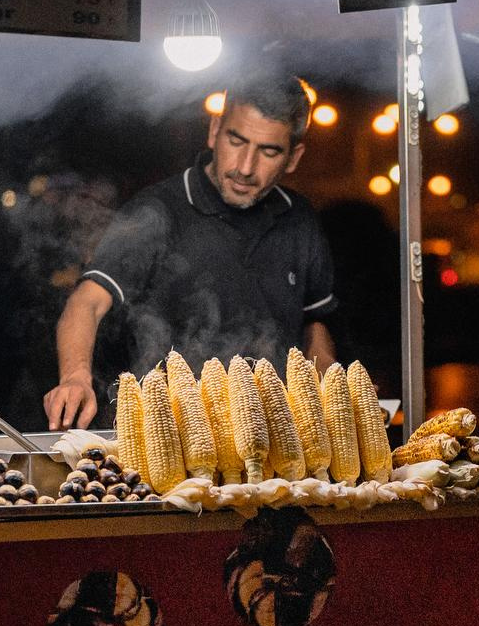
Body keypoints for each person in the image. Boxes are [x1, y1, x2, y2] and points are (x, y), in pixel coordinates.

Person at [43, 65, 338, 429]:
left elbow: (314, 320)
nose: (246, 167)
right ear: (214, 131)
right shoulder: (160, 208)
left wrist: (328, 379)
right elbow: (87, 301)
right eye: (236, 141)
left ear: (293, 157)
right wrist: (75, 377)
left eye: (268, 151)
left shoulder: (300, 219)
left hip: (273, 436)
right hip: (169, 431)